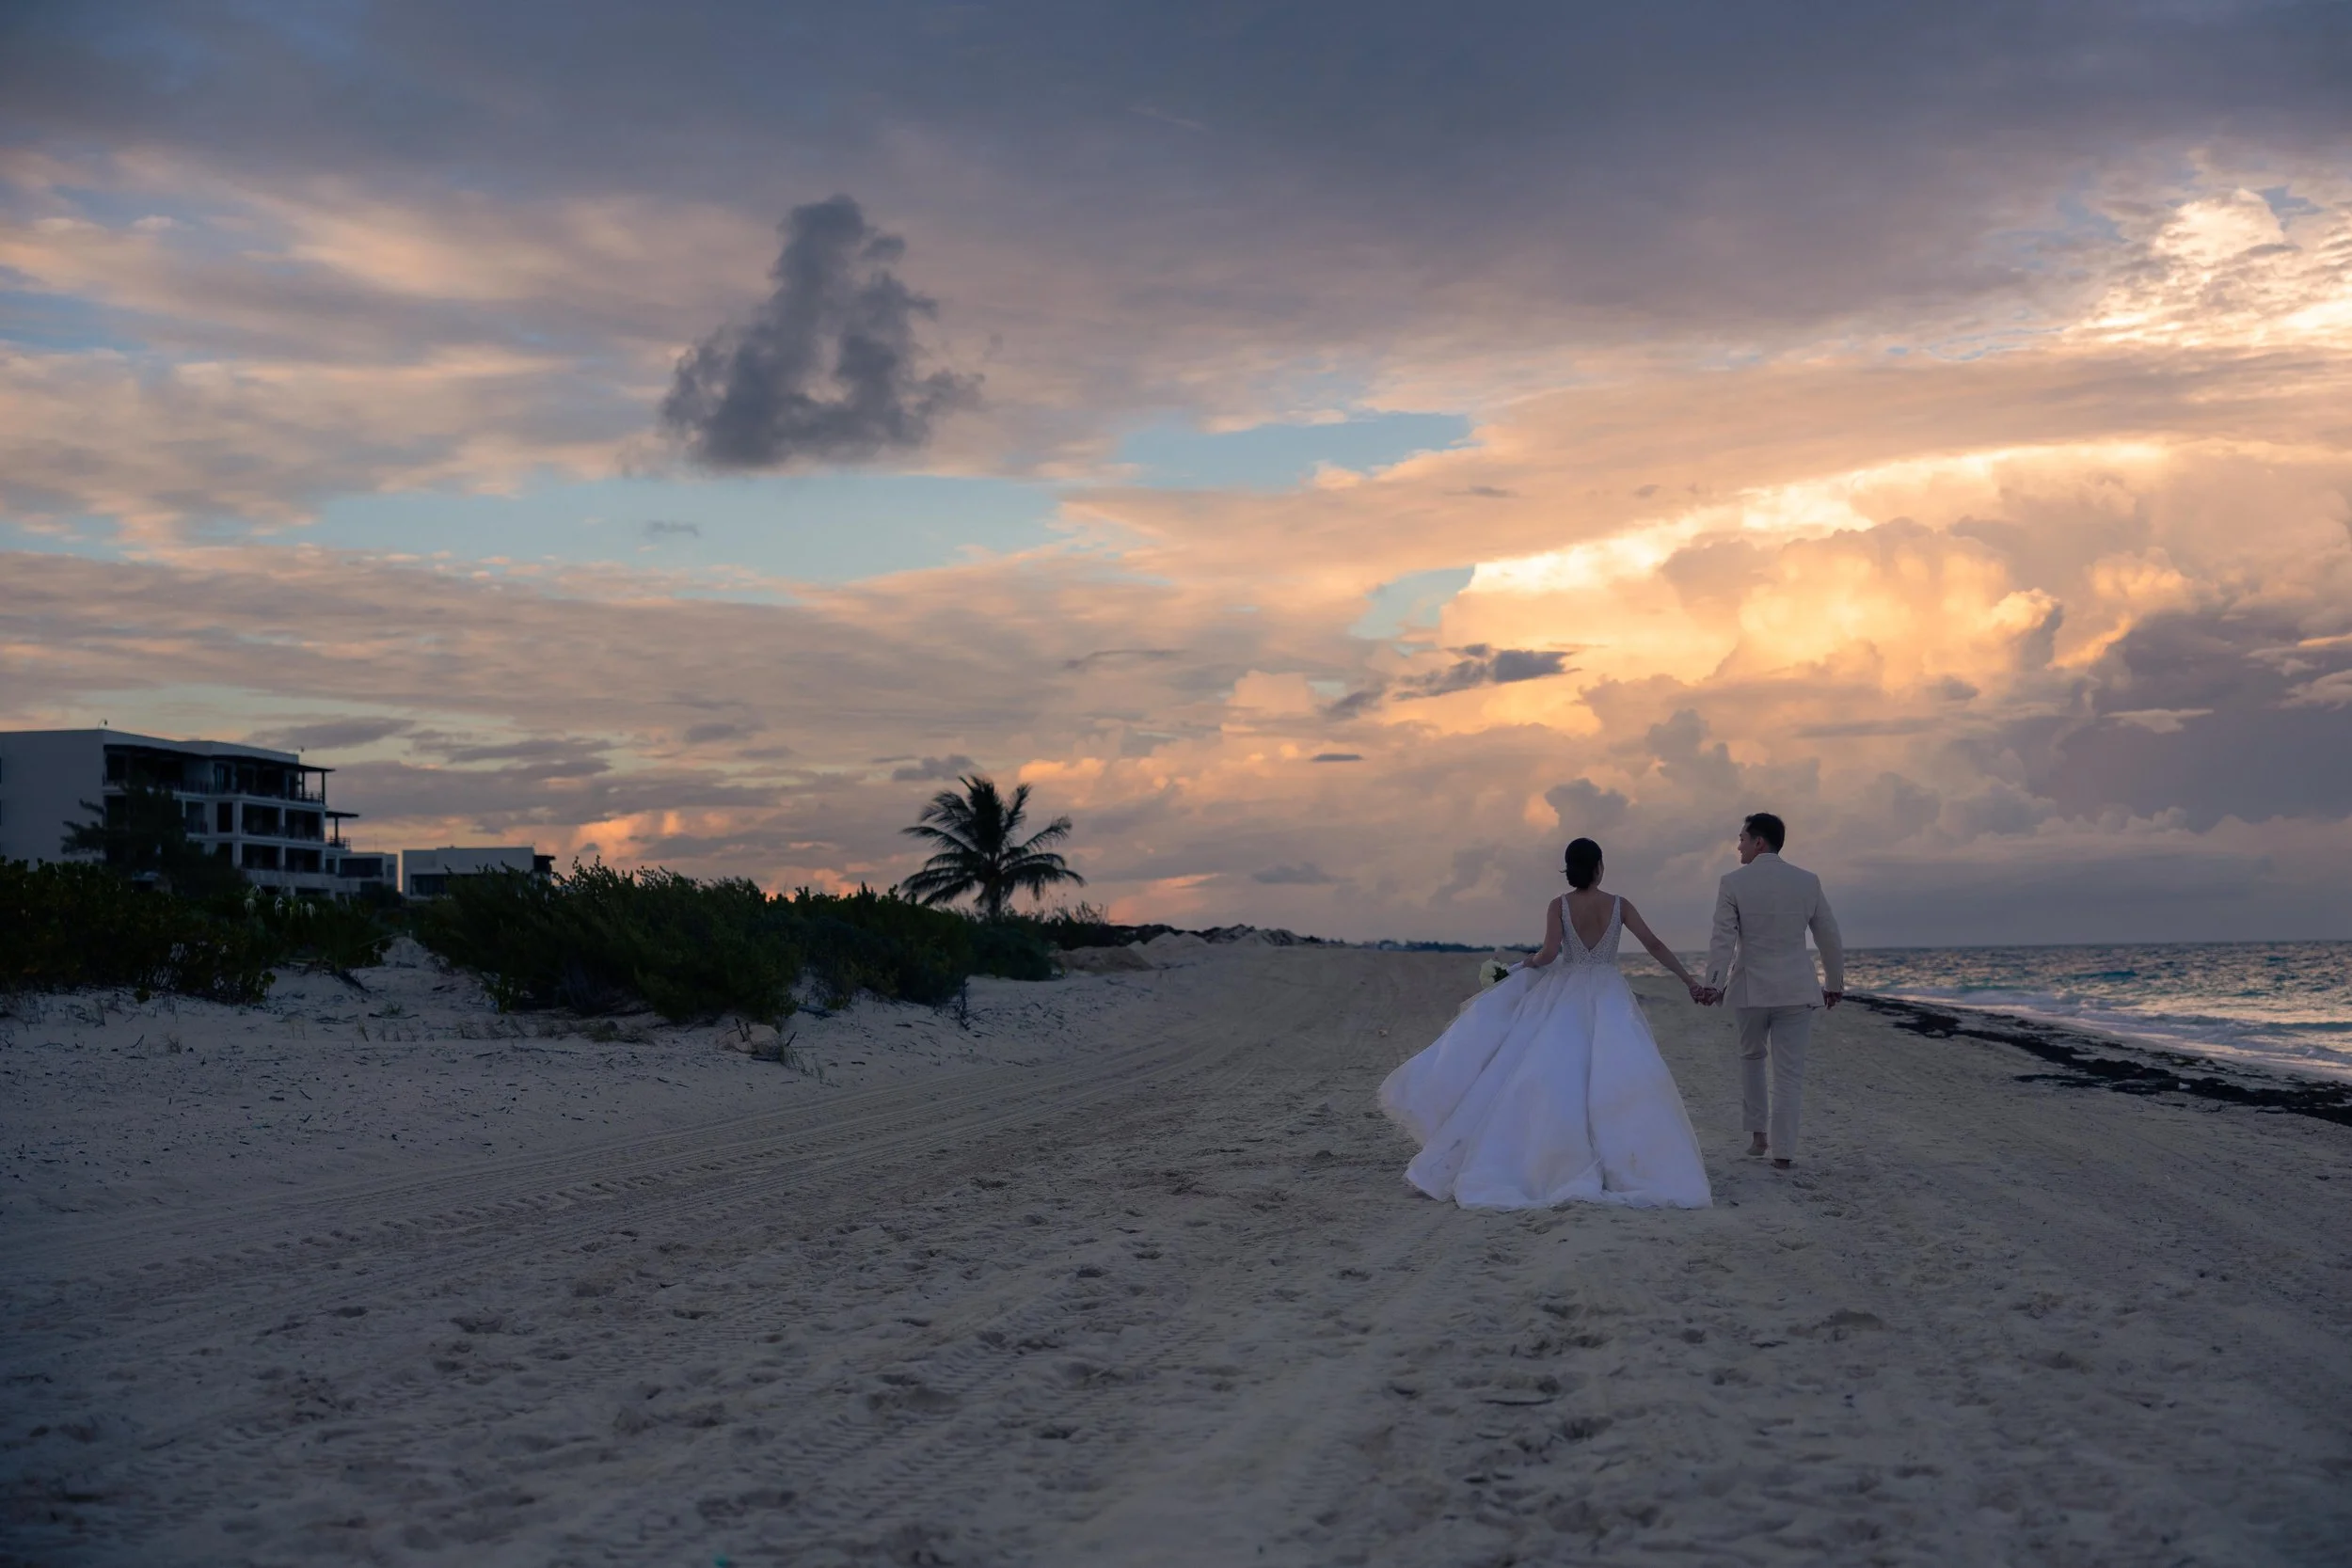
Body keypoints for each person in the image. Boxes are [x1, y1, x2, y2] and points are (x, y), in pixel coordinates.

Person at [1378, 838, 1713, 1210]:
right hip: (1608, 990)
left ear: (1569, 869)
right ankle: (1625, 1159)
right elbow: (1653, 943)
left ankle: (1555, 1156)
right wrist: (1689, 981)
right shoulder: (1620, 905)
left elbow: (1550, 953)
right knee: (1617, 1072)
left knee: (1558, 1071)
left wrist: (1524, 964)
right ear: (1600, 866)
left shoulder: (1560, 905)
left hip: (1568, 990)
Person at [1703, 812, 1843, 1171]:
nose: (1738, 846)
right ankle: (1784, 1153)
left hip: (1751, 989)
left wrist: (1713, 984)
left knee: (1751, 1058)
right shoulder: (1807, 881)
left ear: (1758, 842)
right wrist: (1835, 984)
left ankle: (1758, 1136)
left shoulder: (1733, 882)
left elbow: (1723, 938)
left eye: (1742, 839)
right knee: (1789, 1072)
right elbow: (1828, 935)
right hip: (1797, 988)